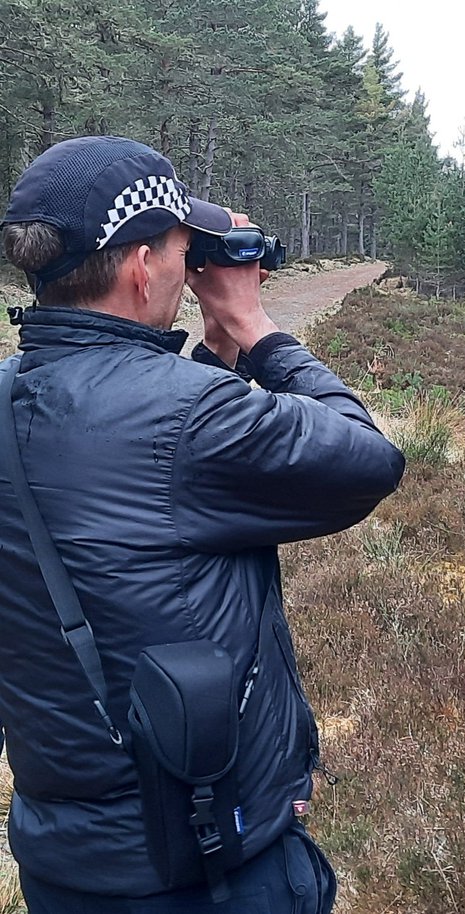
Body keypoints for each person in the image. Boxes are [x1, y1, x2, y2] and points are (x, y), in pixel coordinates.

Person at [0, 135, 405, 913]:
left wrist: (211, 367)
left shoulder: (12, 395)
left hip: (65, 862)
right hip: (202, 868)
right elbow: (367, 460)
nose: (190, 277)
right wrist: (258, 329)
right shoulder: (190, 415)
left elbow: (138, 491)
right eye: (185, 250)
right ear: (141, 265)